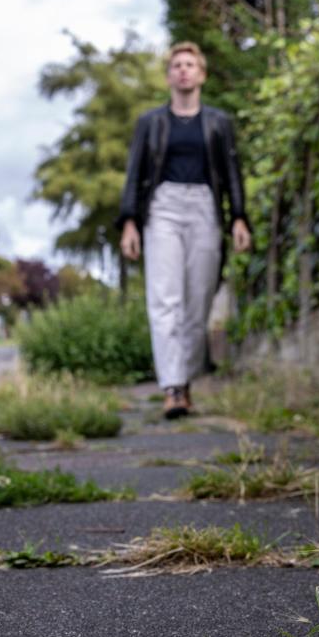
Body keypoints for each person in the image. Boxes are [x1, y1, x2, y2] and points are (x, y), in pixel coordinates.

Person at [117, 41, 252, 420]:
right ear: (168, 76)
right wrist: (130, 222)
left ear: (201, 74)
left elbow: (232, 174)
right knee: (164, 300)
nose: (183, 70)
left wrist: (239, 216)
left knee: (198, 301)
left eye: (190, 64)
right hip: (163, 208)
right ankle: (172, 388)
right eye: (176, 64)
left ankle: (185, 379)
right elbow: (134, 175)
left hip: (205, 209)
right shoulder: (151, 123)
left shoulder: (218, 123)